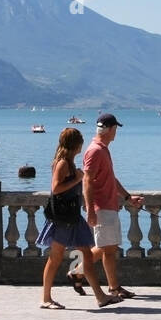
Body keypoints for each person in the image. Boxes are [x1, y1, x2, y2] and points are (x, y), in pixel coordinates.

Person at [38, 128, 122, 309]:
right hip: (63, 219)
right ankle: (46, 299)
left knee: (86, 254)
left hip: (72, 218)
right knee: (55, 258)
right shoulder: (62, 164)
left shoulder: (67, 162)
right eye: (80, 142)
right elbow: (56, 188)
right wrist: (77, 179)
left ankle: (100, 296)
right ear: (75, 144)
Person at [73, 113, 145, 299]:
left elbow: (110, 178)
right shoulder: (95, 150)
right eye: (115, 129)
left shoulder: (102, 149)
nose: (116, 133)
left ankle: (78, 273)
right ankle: (113, 288)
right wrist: (90, 209)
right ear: (110, 129)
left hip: (108, 205)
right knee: (109, 250)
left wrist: (128, 197)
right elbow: (87, 180)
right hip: (101, 206)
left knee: (108, 247)